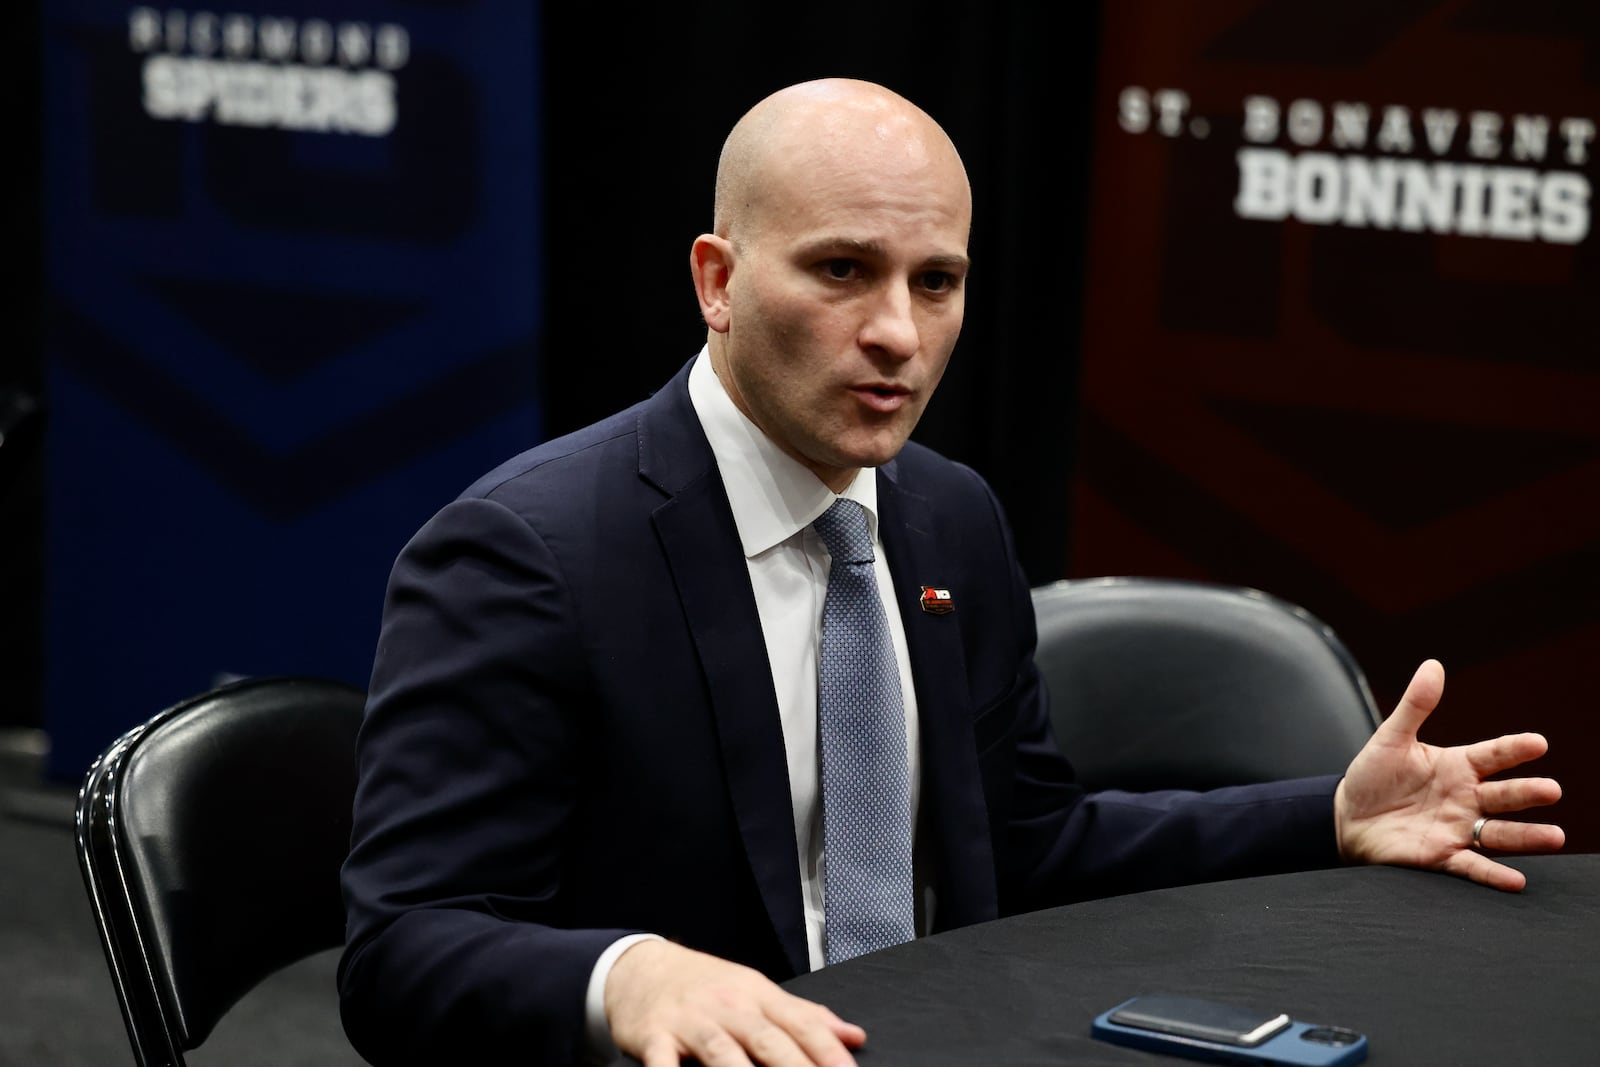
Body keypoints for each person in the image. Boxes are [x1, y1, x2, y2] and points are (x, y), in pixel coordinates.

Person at [338, 79, 1564, 1067]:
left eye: (937, 282)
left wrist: (1323, 816)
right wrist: (625, 973)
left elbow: (1022, 845)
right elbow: (402, 950)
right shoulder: (527, 552)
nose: (898, 334)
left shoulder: (947, 516)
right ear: (716, 279)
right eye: (840, 271)